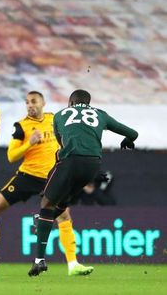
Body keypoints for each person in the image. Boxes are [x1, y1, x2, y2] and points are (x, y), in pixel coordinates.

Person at [0, 91, 94, 276]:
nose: (30, 105)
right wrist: (29, 143)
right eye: (27, 102)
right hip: (27, 176)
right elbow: (11, 156)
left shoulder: (55, 119)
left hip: (51, 176)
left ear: (43, 103)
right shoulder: (21, 126)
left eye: (34, 101)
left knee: (64, 216)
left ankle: (73, 265)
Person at [28, 89, 137, 276]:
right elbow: (132, 133)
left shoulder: (60, 115)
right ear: (88, 102)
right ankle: (47, 220)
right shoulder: (100, 114)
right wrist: (127, 140)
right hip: (92, 166)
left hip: (70, 161)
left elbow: (62, 143)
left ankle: (39, 260)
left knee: (46, 204)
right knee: (61, 203)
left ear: (70, 102)